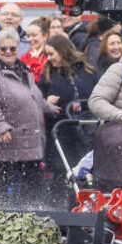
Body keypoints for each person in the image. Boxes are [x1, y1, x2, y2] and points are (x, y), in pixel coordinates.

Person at [0, 28, 58, 208]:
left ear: (18, 49)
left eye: (12, 48)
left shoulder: (23, 71)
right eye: (3, 49)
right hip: (4, 144)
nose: (8, 52)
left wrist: (48, 107)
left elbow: (32, 97)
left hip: (25, 143)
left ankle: (28, 224)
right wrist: (0, 126)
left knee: (30, 192)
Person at [39, 34, 98, 208]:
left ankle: (81, 210)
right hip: (60, 135)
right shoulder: (48, 73)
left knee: (84, 176)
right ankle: (58, 214)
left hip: (85, 135)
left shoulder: (87, 70)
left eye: (52, 54)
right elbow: (37, 97)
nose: (49, 59)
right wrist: (46, 102)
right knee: (61, 176)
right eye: (47, 55)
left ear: (62, 51)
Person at [20, 18, 49, 82]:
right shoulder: (24, 57)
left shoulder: (51, 56)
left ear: (45, 36)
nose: (30, 39)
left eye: (34, 35)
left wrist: (34, 59)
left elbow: (38, 80)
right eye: (28, 36)